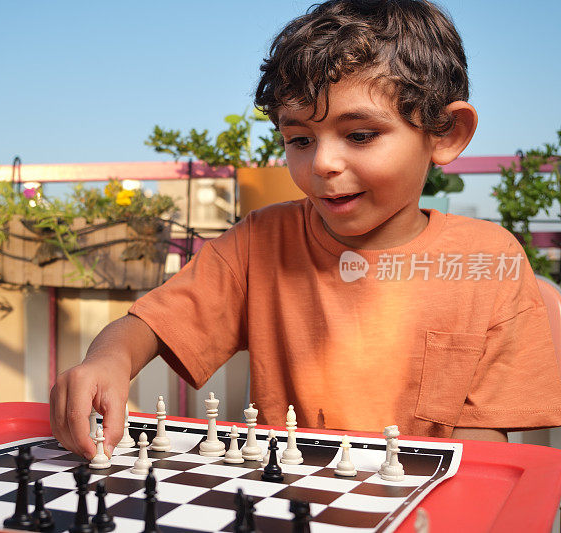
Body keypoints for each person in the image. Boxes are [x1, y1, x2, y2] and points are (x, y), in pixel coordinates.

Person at [50, 0, 561, 460]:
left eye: (360, 135)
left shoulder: (490, 261)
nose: (323, 163)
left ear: (446, 134)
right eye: (299, 139)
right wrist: (108, 359)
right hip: (285, 503)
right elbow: (150, 323)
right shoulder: (259, 242)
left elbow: (484, 446)